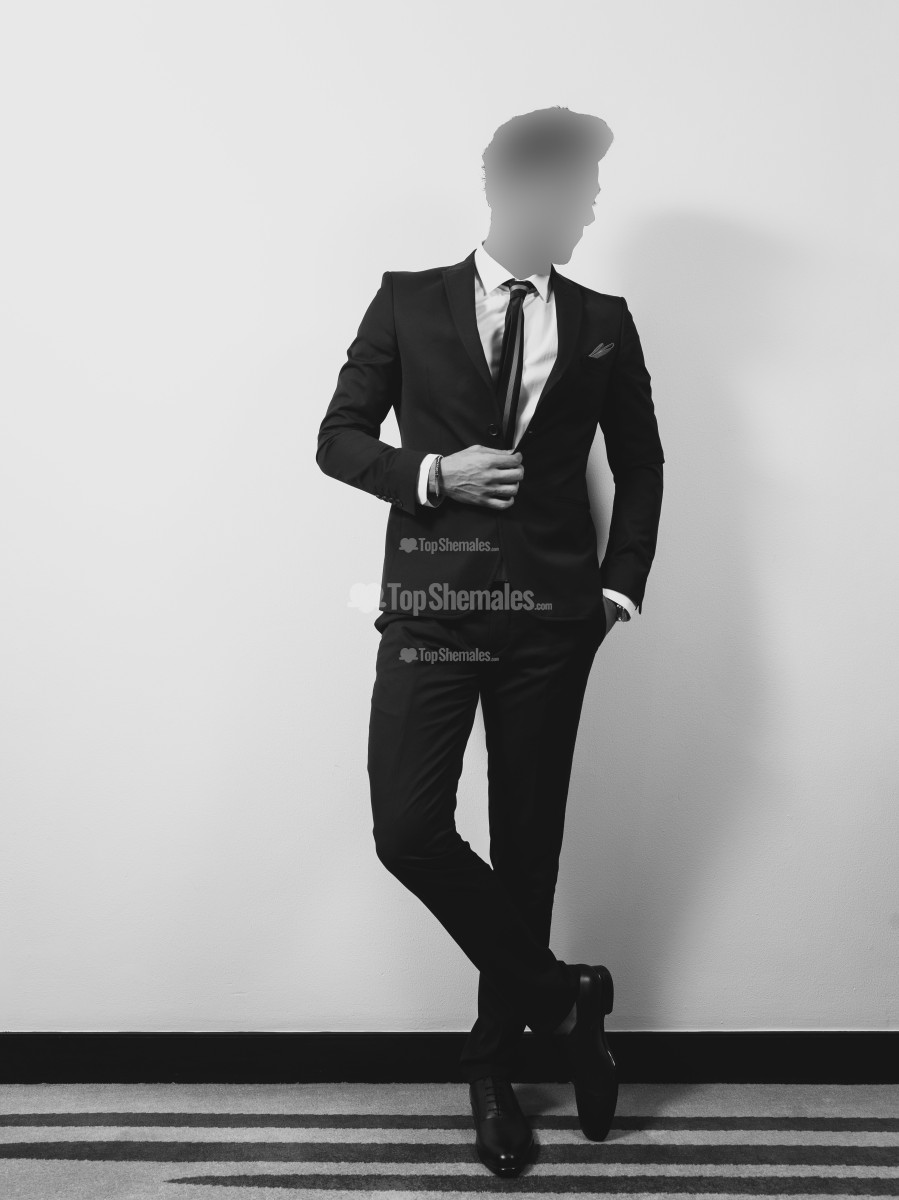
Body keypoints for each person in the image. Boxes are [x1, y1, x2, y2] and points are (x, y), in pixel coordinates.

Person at [316, 106, 665, 1178]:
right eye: (579, 192)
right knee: (408, 828)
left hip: (551, 626)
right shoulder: (405, 301)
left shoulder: (602, 319)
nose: (590, 211)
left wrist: (616, 590)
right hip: (431, 609)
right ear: (517, 190)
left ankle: (492, 1070)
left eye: (592, 195)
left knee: (526, 848)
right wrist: (432, 474)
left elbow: (640, 461)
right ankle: (566, 999)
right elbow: (336, 439)